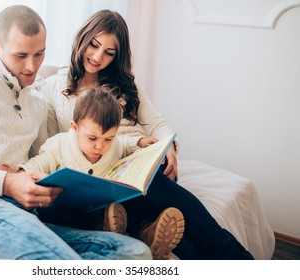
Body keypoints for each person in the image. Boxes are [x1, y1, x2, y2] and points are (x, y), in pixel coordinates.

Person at [0, 5, 152, 260]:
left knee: (133, 252)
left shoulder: (38, 99)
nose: (31, 66)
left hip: (22, 213)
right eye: (21, 55)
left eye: (39, 54)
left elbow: (43, 158)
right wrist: (5, 181)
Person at [41, 9, 255, 260]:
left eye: (109, 52)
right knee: (181, 237)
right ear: (82, 39)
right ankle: (145, 230)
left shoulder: (125, 84)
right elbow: (55, 141)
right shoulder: (54, 87)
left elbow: (157, 124)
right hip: (102, 171)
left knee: (170, 202)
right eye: (94, 45)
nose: (98, 57)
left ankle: (234, 257)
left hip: (141, 164)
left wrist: (170, 147)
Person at [0, 87, 185, 260]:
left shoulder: (114, 144)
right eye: (92, 138)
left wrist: (140, 142)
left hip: (106, 208)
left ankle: (146, 233)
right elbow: (39, 163)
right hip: (71, 212)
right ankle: (116, 232)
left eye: (108, 138)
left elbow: (124, 144)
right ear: (75, 128)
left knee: (129, 200)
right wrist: (18, 173)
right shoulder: (59, 145)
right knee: (50, 208)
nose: (100, 146)